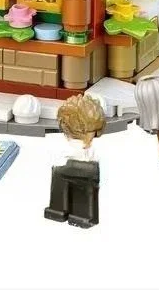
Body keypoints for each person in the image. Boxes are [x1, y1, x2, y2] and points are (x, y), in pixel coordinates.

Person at [44, 94, 105, 228]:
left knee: (59, 181)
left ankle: (58, 210)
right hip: (86, 171)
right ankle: (82, 216)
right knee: (84, 191)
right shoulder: (86, 146)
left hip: (68, 170)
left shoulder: (67, 145)